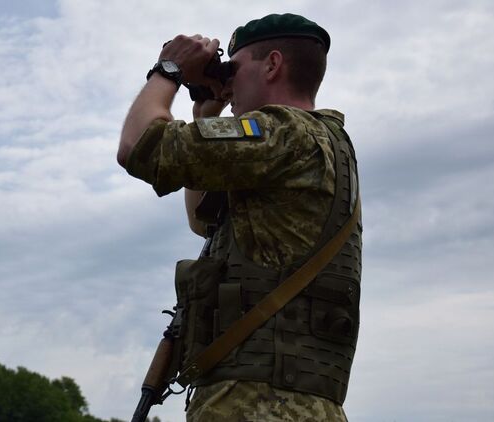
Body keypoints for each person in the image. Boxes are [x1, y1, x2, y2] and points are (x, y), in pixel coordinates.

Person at [118, 13, 361, 422]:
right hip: (295, 406)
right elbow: (204, 221)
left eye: (234, 69)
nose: (228, 84)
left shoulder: (283, 131)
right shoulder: (321, 142)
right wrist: (206, 116)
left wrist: (169, 69)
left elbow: (139, 147)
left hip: (255, 404)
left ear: (272, 65)